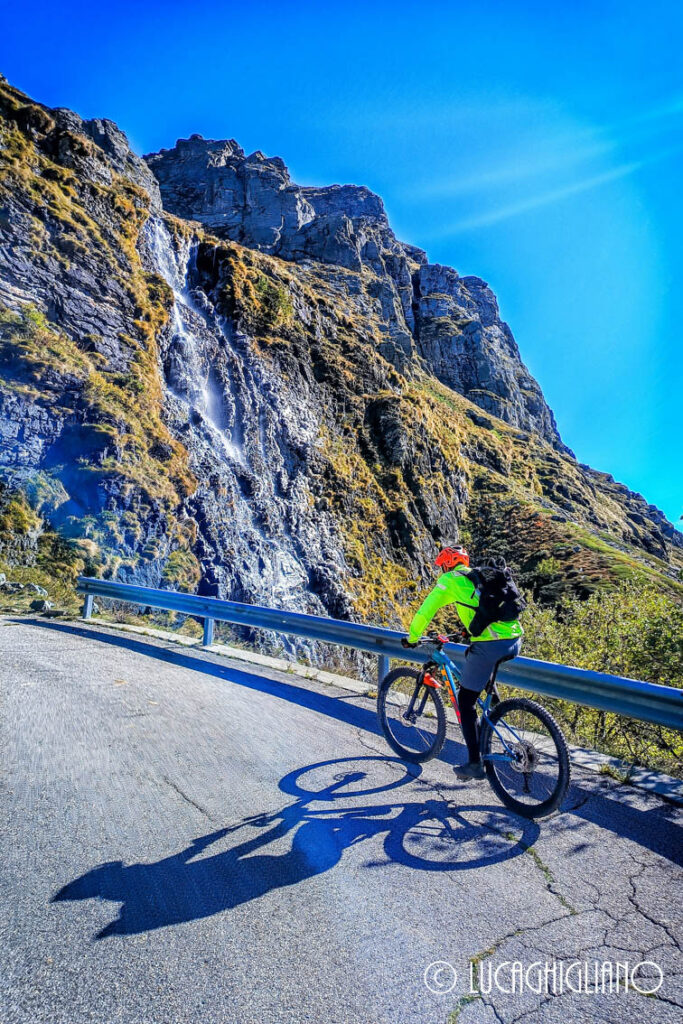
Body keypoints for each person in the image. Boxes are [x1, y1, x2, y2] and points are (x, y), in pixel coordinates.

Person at [402, 545, 523, 780]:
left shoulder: (449, 580)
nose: (442, 570)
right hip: (515, 638)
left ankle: (474, 764)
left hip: (491, 644)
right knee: (472, 656)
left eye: (442, 566)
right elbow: (483, 609)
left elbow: (426, 612)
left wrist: (412, 637)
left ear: (447, 564)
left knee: (465, 702)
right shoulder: (478, 575)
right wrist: (468, 632)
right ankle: (494, 711)